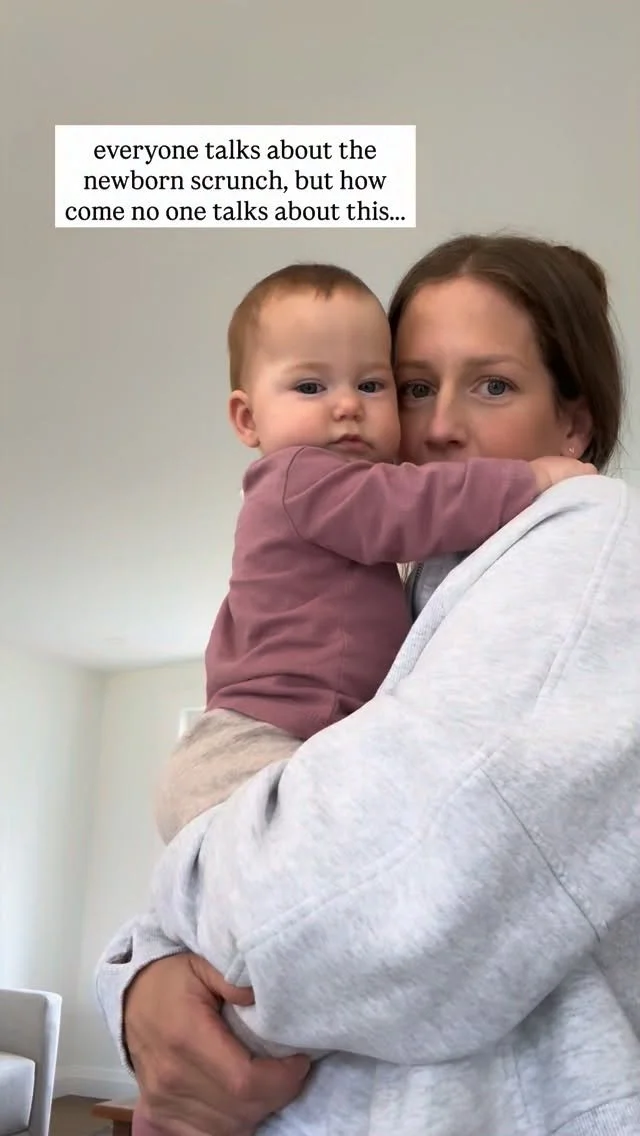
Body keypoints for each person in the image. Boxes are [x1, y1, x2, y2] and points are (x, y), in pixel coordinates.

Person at [96, 234, 640, 1136]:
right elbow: (299, 872)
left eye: (492, 385)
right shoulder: (423, 588)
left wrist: (155, 975)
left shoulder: (593, 534)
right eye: (417, 387)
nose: (439, 427)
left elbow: (345, 917)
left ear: (575, 425)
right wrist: (141, 979)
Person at [154, 260, 583, 841]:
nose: (348, 406)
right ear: (247, 418)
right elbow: (415, 504)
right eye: (311, 387)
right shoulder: (300, 477)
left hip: (297, 741)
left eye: (372, 385)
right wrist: (532, 479)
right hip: (253, 747)